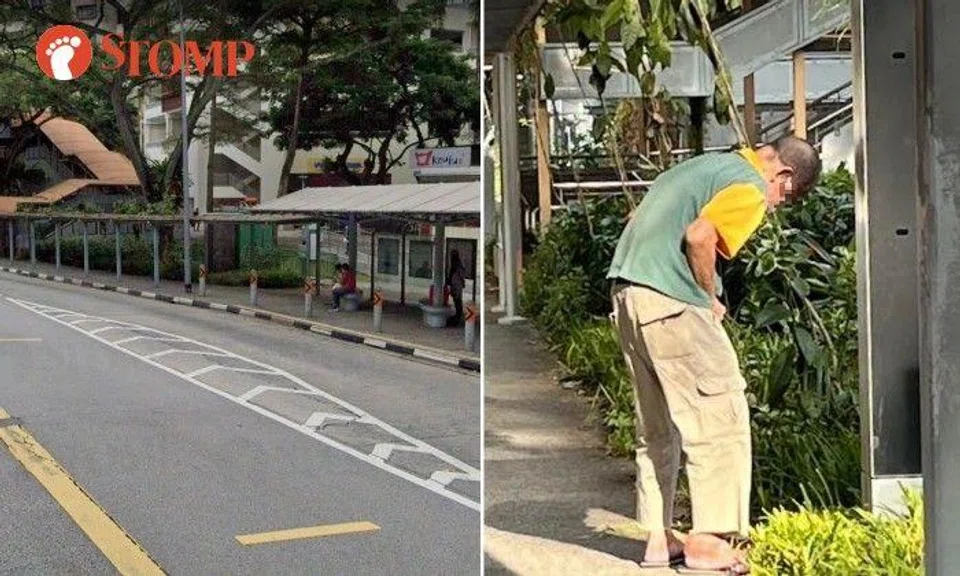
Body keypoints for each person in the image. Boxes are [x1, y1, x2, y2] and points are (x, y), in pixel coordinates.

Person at [607, 135, 822, 573]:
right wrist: (707, 298)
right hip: (672, 304)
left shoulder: (699, 168)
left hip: (628, 297)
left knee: (657, 427)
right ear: (782, 175)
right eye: (788, 196)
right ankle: (708, 542)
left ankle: (658, 538)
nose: (779, 205)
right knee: (720, 418)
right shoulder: (748, 185)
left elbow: (637, 216)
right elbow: (700, 235)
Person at [446, 250, 466, 327]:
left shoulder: (457, 266)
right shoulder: (456, 265)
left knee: (458, 301)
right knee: (457, 301)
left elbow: (459, 276)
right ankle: (457, 317)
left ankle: (457, 319)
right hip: (455, 285)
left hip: (456, 286)